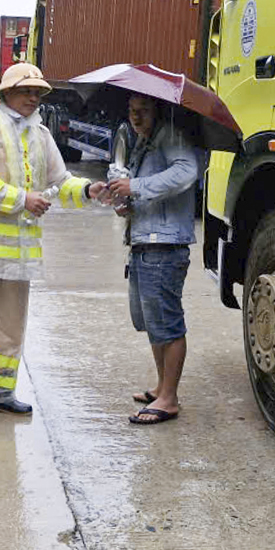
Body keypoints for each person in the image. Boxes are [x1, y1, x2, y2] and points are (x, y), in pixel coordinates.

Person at [0, 62, 106, 434]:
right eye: (26, 91)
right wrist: (24, 200)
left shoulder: (41, 133)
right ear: (6, 94)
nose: (33, 97)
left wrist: (87, 190)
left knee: (10, 327)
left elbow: (60, 180)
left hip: (20, 255)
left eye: (37, 92)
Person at [103, 93, 201, 425]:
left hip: (165, 245)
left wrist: (136, 186)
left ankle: (169, 398)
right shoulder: (144, 142)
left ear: (158, 110)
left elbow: (188, 171)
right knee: (152, 322)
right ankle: (162, 387)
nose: (136, 117)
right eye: (132, 111)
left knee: (168, 323)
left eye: (143, 111)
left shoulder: (170, 135)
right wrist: (125, 202)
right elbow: (141, 193)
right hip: (146, 242)